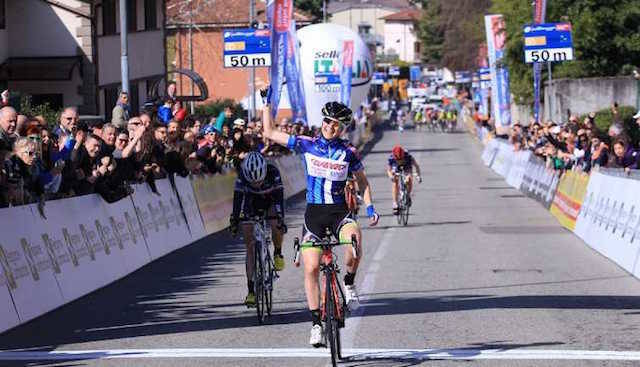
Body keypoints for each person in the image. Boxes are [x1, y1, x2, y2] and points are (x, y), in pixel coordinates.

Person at [261, 91, 379, 347]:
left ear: (341, 128)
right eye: (326, 121)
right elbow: (269, 132)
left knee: (355, 241)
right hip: (314, 214)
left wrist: (369, 207)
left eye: (335, 124)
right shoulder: (307, 143)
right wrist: (267, 104)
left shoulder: (348, 152)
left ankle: (348, 283)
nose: (329, 127)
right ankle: (316, 323)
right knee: (312, 268)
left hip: (339, 213)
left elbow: (363, 182)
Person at [229, 151, 287, 307]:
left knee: (276, 224)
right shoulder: (242, 175)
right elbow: (237, 201)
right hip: (251, 203)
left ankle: (277, 252)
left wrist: (281, 218)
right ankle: (251, 291)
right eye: (252, 182)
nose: (256, 184)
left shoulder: (273, 172)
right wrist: (234, 220)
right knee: (250, 245)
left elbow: (280, 198)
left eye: (259, 181)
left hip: (269, 201)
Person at [387, 145, 422, 214]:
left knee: (408, 178)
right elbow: (388, 170)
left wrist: (418, 175)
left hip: (407, 166)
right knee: (395, 181)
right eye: (398, 160)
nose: (400, 161)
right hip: (396, 167)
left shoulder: (408, 156)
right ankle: (395, 203)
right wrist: (391, 176)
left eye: (401, 159)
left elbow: (416, 166)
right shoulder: (391, 158)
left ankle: (407, 195)